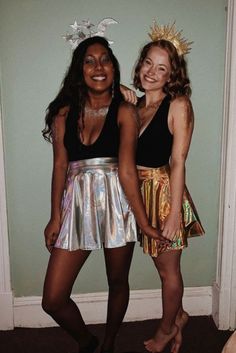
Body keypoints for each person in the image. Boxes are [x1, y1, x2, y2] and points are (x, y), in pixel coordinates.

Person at [41, 36, 164, 353]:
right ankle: (87, 340)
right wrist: (55, 217)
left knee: (117, 280)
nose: (98, 67)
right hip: (77, 206)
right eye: (89, 60)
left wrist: (143, 222)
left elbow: (126, 170)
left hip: (117, 204)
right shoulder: (63, 115)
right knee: (53, 299)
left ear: (114, 67)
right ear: (79, 69)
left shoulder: (125, 112)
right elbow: (59, 167)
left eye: (105, 59)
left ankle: (108, 343)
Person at [122, 25, 204, 353]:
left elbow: (179, 162)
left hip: (163, 191)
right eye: (147, 63)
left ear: (172, 75)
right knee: (160, 267)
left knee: (169, 270)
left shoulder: (178, 104)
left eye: (162, 68)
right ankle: (179, 317)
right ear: (140, 64)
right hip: (138, 195)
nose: (151, 72)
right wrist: (121, 96)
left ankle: (167, 328)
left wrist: (172, 215)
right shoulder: (135, 106)